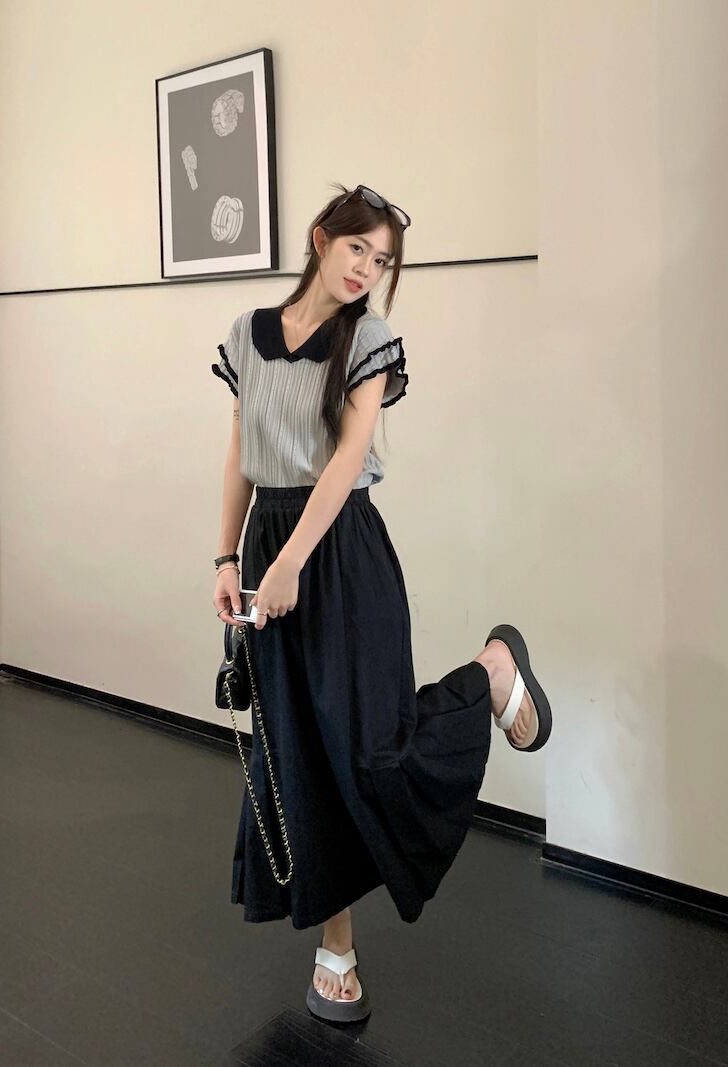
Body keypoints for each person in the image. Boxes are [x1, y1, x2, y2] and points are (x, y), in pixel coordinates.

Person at [210, 183, 553, 1024]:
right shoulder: (247, 333)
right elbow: (241, 450)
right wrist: (227, 556)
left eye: (383, 258)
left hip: (341, 550)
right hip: (269, 544)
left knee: (372, 749)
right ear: (321, 239)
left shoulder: (368, 339)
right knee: (300, 757)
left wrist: (290, 564)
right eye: (358, 247)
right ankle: (337, 946)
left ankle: (489, 672)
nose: (368, 267)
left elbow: (346, 458)